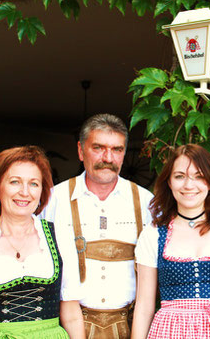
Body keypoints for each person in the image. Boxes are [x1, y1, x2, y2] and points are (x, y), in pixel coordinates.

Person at [0, 145, 84, 338]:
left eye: (34, 183)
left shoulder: (59, 236)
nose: (25, 192)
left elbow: (72, 316)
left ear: (42, 192)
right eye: (15, 182)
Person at [131, 144, 210, 339]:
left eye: (199, 176)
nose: (189, 185)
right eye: (180, 176)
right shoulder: (154, 234)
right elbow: (144, 306)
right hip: (169, 332)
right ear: (169, 182)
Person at [42, 113, 154, 338]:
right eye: (98, 148)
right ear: (81, 151)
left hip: (133, 328)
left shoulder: (147, 202)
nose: (108, 157)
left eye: (117, 149)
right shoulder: (53, 200)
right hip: (68, 329)